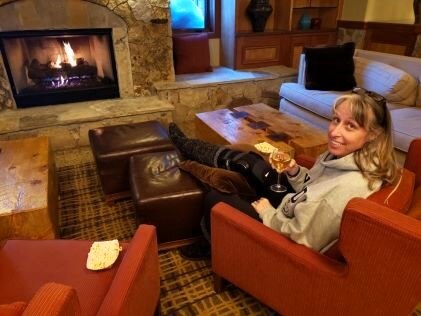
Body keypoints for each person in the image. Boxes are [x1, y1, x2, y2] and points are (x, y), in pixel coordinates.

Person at [169, 88, 400, 259]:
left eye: (351, 126)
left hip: (281, 233)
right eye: (336, 120)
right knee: (249, 162)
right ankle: (188, 145)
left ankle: (210, 244)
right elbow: (313, 189)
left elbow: (301, 238)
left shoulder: (346, 189)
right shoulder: (344, 158)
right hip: (291, 207)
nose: (335, 132)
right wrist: (295, 171)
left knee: (215, 199)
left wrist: (267, 213)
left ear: (373, 135)